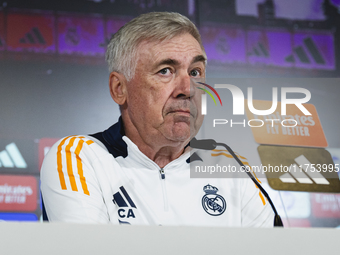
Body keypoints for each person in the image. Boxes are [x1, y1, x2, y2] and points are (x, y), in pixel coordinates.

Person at [41, 12, 274, 227]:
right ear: (119, 88)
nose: (188, 88)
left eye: (195, 72)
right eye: (165, 70)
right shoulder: (80, 157)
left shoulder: (231, 168)